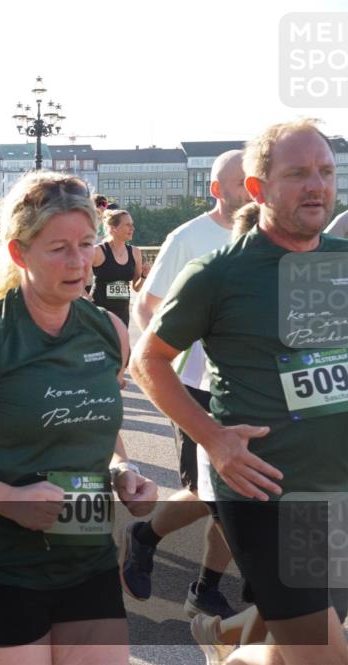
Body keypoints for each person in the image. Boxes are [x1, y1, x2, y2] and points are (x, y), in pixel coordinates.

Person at [0, 172, 156, 665]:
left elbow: (86, 421)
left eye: (86, 244)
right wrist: (11, 501)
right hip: (0, 565)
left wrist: (122, 471)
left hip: (88, 560)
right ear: (19, 253)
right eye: (59, 247)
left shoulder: (110, 332)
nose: (79, 261)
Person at [130, 120, 348, 665]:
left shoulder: (338, 260)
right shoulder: (220, 273)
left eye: (325, 172)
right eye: (298, 174)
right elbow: (147, 360)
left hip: (336, 495)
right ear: (257, 188)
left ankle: (227, 643)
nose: (316, 186)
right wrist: (214, 440)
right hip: (267, 495)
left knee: (288, 649)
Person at [122, 150, 250, 620]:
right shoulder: (188, 237)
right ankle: (144, 535)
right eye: (241, 182)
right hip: (194, 384)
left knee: (238, 486)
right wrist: (174, 352)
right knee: (211, 492)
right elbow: (144, 306)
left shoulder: (269, 235)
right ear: (217, 189)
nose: (251, 187)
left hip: (250, 386)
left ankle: (206, 586)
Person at [90, 209, 146, 327]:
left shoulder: (135, 252)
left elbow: (136, 287)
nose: (132, 228)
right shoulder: (97, 251)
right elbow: (76, 275)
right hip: (99, 312)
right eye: (127, 225)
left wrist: (144, 275)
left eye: (132, 225)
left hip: (122, 313)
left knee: (120, 344)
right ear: (113, 228)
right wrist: (85, 298)